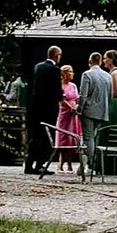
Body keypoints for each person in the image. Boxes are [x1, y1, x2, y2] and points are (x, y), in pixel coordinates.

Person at [24, 45, 63, 175]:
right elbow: (57, 92)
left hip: (35, 107)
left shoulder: (38, 67)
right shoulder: (55, 70)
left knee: (35, 136)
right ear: (56, 55)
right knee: (47, 137)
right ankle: (40, 164)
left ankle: (29, 164)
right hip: (49, 109)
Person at [78, 52, 114, 173]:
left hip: (89, 111)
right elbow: (110, 94)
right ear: (99, 61)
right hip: (102, 111)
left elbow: (83, 95)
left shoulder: (87, 75)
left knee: (88, 138)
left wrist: (79, 108)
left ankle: (89, 165)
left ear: (90, 61)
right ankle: (88, 165)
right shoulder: (108, 76)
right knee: (94, 137)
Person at [51, 63, 82, 176]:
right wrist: (71, 107)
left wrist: (77, 107)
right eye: (70, 71)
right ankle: (62, 163)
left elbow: (77, 98)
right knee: (63, 137)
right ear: (65, 73)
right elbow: (61, 99)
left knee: (71, 138)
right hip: (64, 113)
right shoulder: (60, 85)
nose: (72, 74)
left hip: (73, 115)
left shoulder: (73, 85)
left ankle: (68, 163)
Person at [104, 49, 117, 124]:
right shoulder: (112, 72)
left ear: (111, 60)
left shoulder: (114, 73)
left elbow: (115, 91)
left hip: (113, 102)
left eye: (105, 58)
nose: (104, 61)